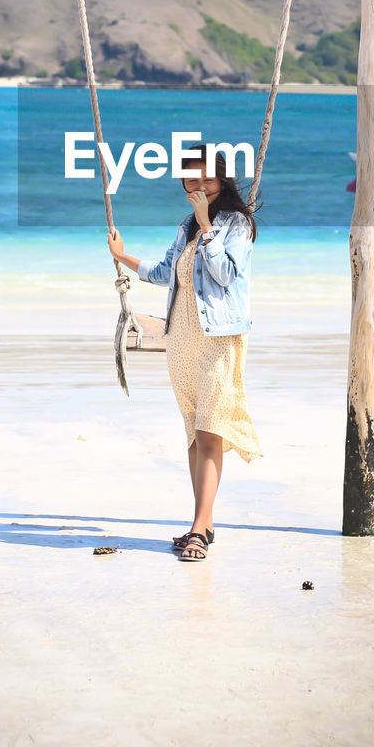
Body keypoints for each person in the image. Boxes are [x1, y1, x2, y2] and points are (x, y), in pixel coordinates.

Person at [108, 145, 262, 561]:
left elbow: (226, 274)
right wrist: (122, 256)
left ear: (221, 178)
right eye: (189, 181)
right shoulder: (185, 227)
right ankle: (204, 524)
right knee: (196, 436)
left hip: (217, 339)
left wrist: (206, 222)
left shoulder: (236, 225)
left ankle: (198, 528)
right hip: (181, 340)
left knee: (211, 432)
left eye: (205, 180)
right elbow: (166, 274)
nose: (197, 188)